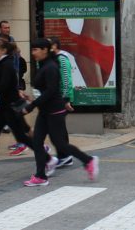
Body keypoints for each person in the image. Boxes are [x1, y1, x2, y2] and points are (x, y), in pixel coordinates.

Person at [21, 38, 98, 186]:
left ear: (45, 50)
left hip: (54, 111)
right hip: (44, 110)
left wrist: (31, 106)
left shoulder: (51, 67)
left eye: (36, 49)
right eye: (32, 50)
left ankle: (88, 160)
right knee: (37, 142)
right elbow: (43, 89)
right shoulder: (43, 64)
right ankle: (41, 176)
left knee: (61, 144)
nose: (33, 53)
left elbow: (51, 91)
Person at [0, 38, 49, 178]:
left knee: (22, 137)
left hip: (10, 107)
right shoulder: (0, 62)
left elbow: (3, 86)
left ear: (4, 50)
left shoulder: (7, 64)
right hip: (3, 106)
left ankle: (48, 159)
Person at [50, 38, 75, 168]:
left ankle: (65, 156)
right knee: (58, 128)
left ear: (54, 46)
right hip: (56, 99)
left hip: (61, 99)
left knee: (58, 129)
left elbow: (66, 80)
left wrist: (66, 99)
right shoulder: (54, 59)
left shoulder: (61, 59)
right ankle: (65, 155)